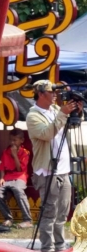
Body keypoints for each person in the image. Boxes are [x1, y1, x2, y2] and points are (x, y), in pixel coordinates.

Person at [26, 79, 79, 252]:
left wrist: (75, 110)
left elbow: (71, 124)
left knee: (62, 214)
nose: (55, 95)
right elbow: (47, 134)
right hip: (48, 171)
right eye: (51, 92)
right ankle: (47, 248)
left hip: (64, 170)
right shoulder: (32, 115)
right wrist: (63, 113)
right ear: (41, 94)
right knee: (49, 213)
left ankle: (60, 246)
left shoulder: (55, 109)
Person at [0, 129, 33, 228]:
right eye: (11, 140)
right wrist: (1, 178)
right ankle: (8, 218)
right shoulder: (5, 152)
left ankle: (27, 220)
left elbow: (19, 169)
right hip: (7, 177)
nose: (12, 142)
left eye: (15, 140)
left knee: (18, 190)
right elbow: (1, 167)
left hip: (20, 177)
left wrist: (15, 155)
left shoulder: (25, 152)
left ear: (21, 140)